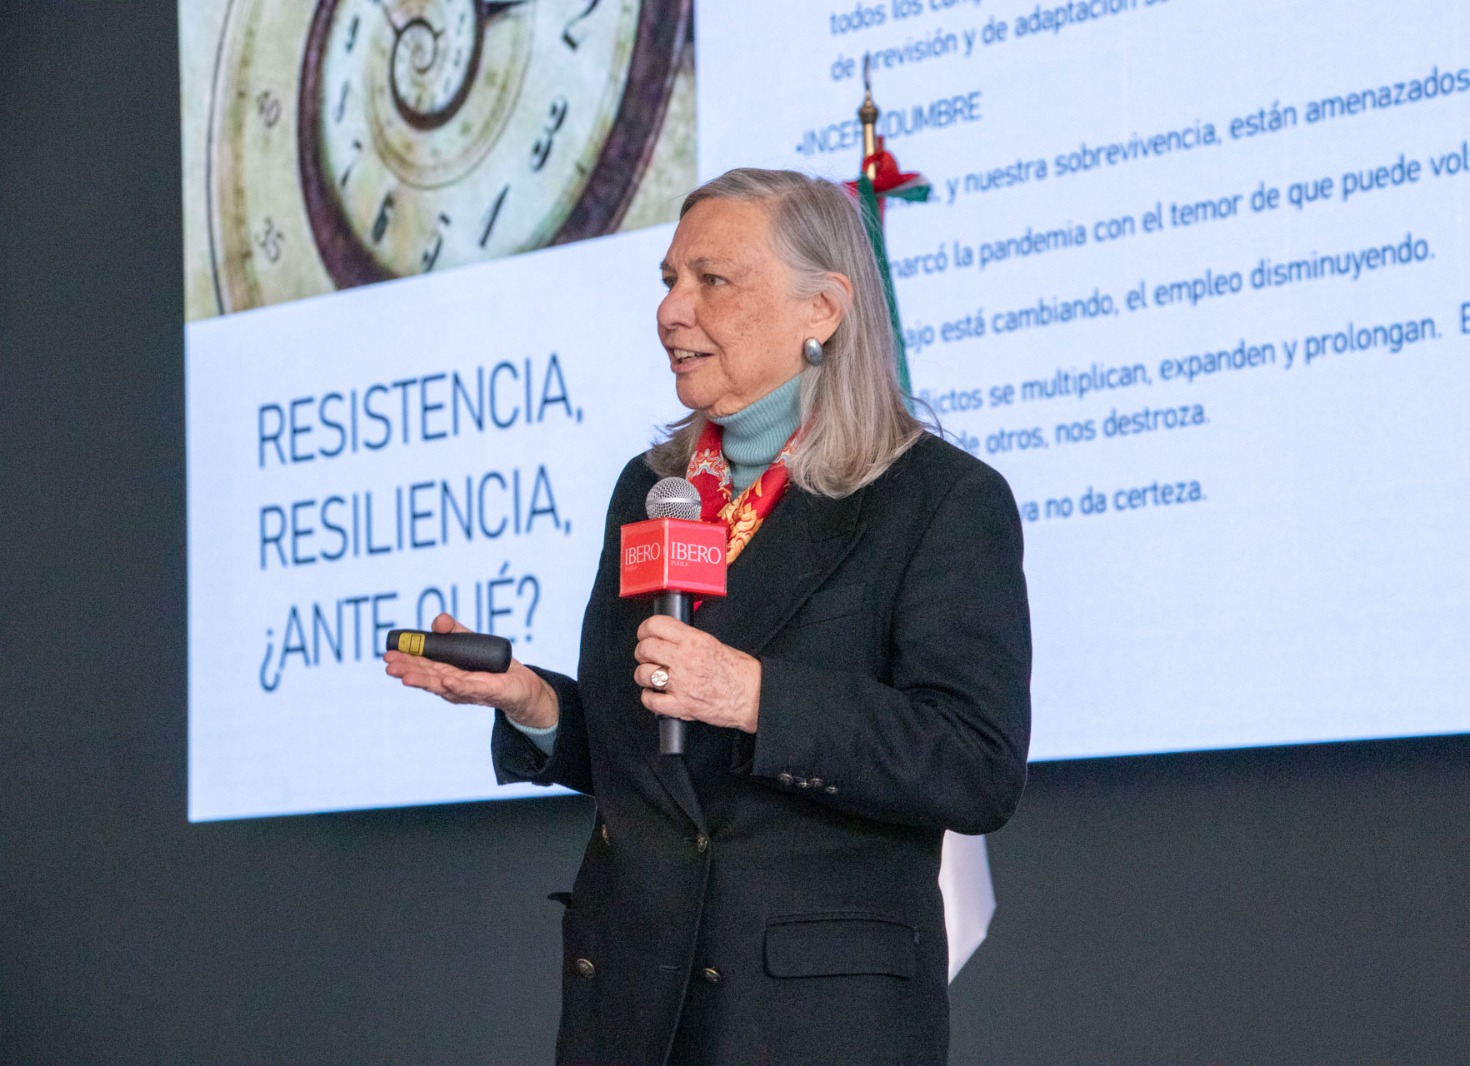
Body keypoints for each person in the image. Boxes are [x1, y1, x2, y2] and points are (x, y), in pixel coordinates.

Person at [384, 168, 1032, 1066]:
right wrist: (536, 705)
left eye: (711, 280)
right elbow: (657, 765)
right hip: (635, 1005)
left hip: (806, 1020)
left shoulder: (938, 499)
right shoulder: (652, 489)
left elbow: (974, 765)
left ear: (822, 308)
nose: (670, 311)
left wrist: (758, 696)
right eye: (669, 281)